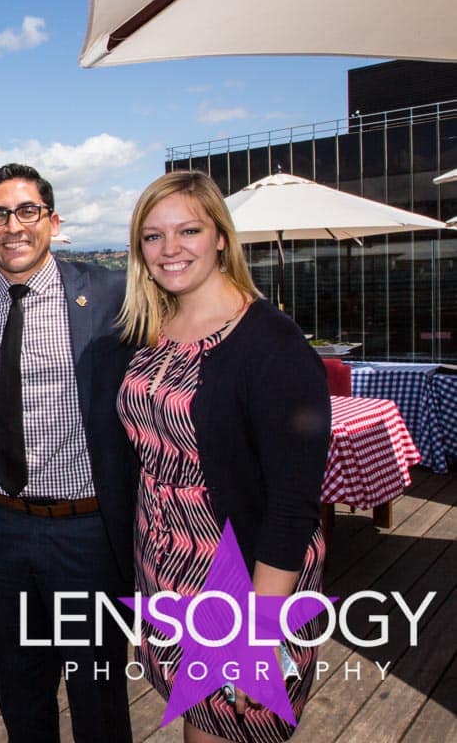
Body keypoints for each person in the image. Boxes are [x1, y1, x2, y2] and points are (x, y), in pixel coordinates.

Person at [118, 170, 329, 741]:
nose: (170, 250)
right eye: (153, 236)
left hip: (240, 583)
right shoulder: (155, 328)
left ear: (220, 238)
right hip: (164, 572)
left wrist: (257, 637)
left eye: (188, 230)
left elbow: (292, 508)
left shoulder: (271, 344)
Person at [0, 163, 136, 742]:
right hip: (0, 533)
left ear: (53, 220)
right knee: (20, 699)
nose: (13, 226)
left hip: (86, 535)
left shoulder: (111, 294)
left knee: (98, 702)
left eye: (27, 211)